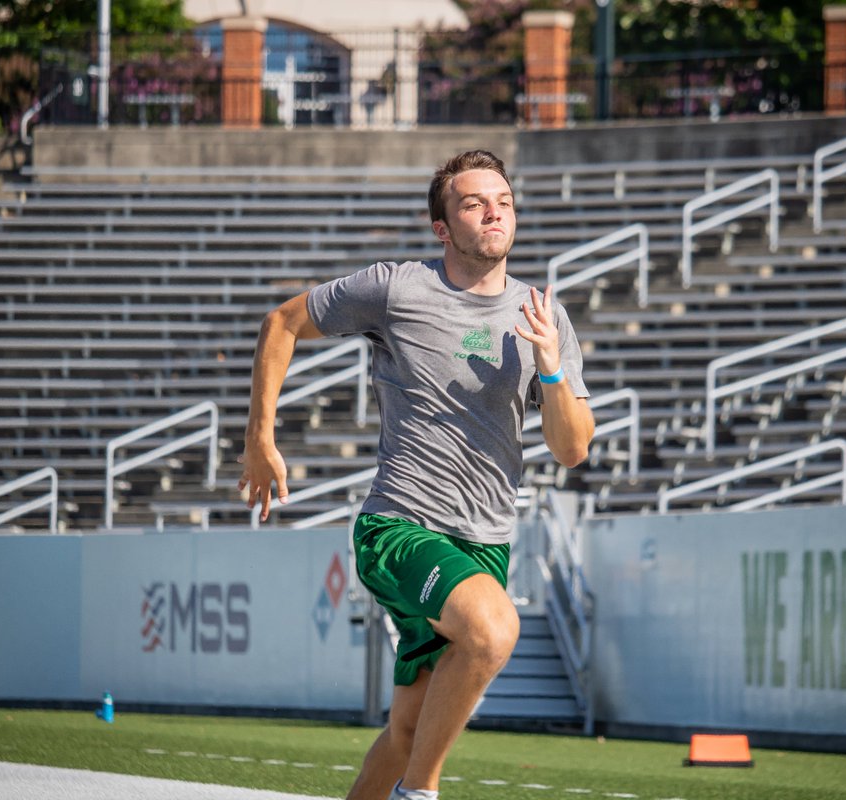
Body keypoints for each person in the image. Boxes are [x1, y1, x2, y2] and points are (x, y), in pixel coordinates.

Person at [239, 149, 594, 800]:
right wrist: (261, 437)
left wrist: (550, 365)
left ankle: (401, 780)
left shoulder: (546, 318)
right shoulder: (397, 287)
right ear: (442, 227)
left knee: (407, 732)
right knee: (493, 629)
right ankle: (420, 795)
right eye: (473, 202)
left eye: (504, 201)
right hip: (398, 527)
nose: (494, 211)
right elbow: (282, 322)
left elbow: (572, 450)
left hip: (483, 544)